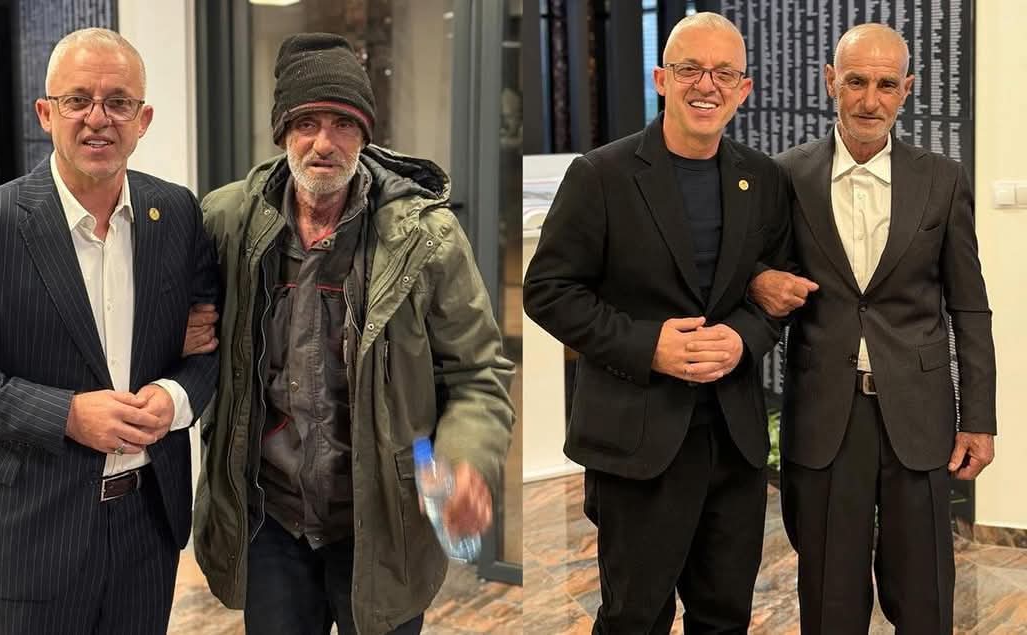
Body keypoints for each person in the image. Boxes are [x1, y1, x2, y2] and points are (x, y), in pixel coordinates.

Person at [187, 33, 514, 635]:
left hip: (383, 523)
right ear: (282, 133)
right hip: (271, 520)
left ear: (365, 135)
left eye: (343, 124)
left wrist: (466, 460)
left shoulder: (427, 238)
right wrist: (185, 334)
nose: (324, 143)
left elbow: (478, 373)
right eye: (306, 123)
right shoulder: (226, 221)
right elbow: (185, 329)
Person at [523, 12, 789, 633]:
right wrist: (649, 346)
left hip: (734, 441)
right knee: (634, 619)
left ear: (744, 89)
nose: (707, 85)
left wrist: (743, 339)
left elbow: (773, 292)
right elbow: (548, 291)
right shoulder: (601, 176)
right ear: (661, 78)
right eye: (690, 69)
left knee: (725, 617)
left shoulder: (763, 179)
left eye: (724, 73)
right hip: (637, 443)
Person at [0, 28, 219, 633]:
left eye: (118, 101)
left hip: (148, 529)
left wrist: (174, 398)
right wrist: (67, 414)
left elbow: (209, 348)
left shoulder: (177, 214)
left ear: (143, 119)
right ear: (46, 113)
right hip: (32, 537)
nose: (98, 119)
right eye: (78, 100)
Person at [749, 23, 996, 634]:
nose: (869, 100)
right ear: (830, 82)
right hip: (826, 418)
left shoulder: (942, 179)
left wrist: (978, 418)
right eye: (855, 81)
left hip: (920, 415)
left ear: (907, 89)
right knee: (830, 598)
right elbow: (754, 272)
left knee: (925, 597)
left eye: (886, 85)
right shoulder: (787, 176)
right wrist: (757, 279)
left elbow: (969, 307)